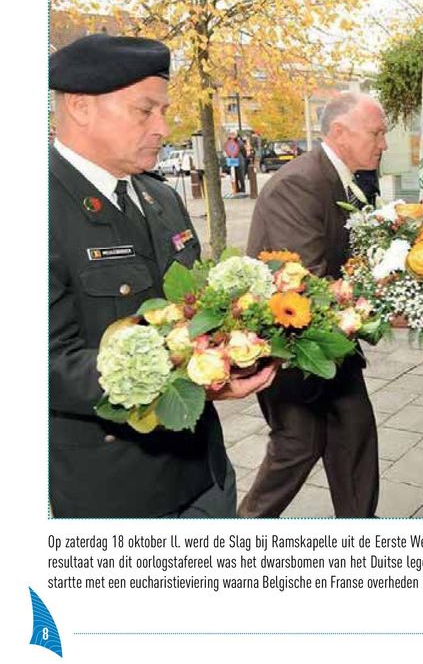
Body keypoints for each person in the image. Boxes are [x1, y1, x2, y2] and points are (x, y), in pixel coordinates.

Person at [49, 35, 274, 518]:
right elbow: (47, 365)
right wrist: (189, 374)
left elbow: (195, 312)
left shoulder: (162, 198)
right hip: (116, 495)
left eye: (165, 111)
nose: (163, 128)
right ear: (80, 106)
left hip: (204, 471)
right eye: (144, 111)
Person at [239, 93, 387, 518]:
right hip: (294, 349)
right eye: (375, 133)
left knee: (355, 436)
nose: (382, 144)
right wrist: (378, 304)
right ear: (339, 132)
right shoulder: (300, 182)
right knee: (297, 447)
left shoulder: (342, 179)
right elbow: (309, 283)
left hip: (329, 344)